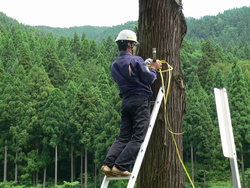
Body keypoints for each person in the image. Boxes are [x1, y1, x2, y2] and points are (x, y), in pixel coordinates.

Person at [101, 29, 162, 176]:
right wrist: (153, 69)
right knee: (139, 136)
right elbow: (148, 79)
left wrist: (144, 66)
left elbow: (132, 76)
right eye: (133, 44)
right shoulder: (136, 60)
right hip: (139, 100)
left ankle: (108, 164)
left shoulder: (115, 64)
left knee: (123, 136)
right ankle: (120, 166)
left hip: (126, 101)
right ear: (130, 44)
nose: (134, 47)